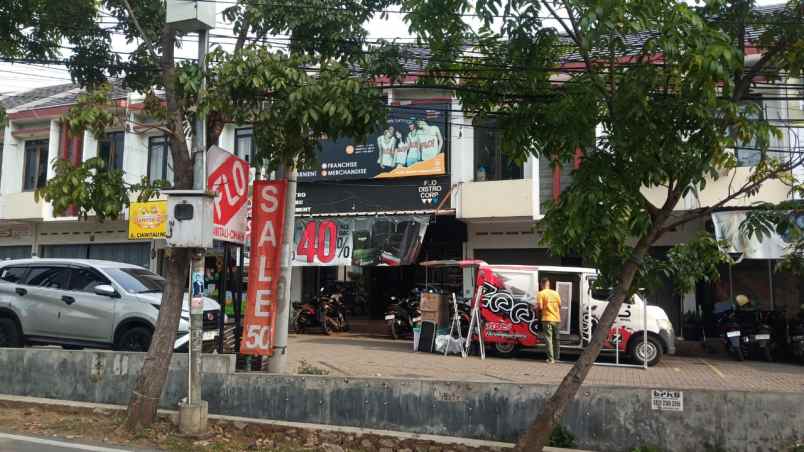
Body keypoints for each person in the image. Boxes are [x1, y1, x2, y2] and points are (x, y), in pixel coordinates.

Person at [537, 277, 562, 363]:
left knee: (549, 339)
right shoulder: (556, 293)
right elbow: (560, 306)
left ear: (541, 284)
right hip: (557, 319)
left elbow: (540, 307)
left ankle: (551, 359)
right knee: (556, 339)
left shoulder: (541, 293)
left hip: (547, 318)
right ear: (548, 284)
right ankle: (557, 357)